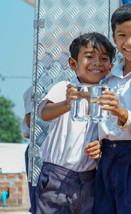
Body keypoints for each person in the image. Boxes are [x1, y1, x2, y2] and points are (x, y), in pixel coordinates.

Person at [81, 3, 131, 213]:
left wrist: (120, 112)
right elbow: (96, 120)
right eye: (122, 35)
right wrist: (97, 142)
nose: (129, 42)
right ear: (114, 38)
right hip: (107, 157)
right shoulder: (107, 77)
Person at [36, 33, 114, 214]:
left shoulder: (107, 97)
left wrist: (99, 147)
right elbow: (44, 113)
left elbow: (108, 132)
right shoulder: (65, 88)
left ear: (110, 67)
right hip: (57, 176)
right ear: (73, 64)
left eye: (103, 59)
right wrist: (67, 103)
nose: (96, 63)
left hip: (90, 178)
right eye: (89, 57)